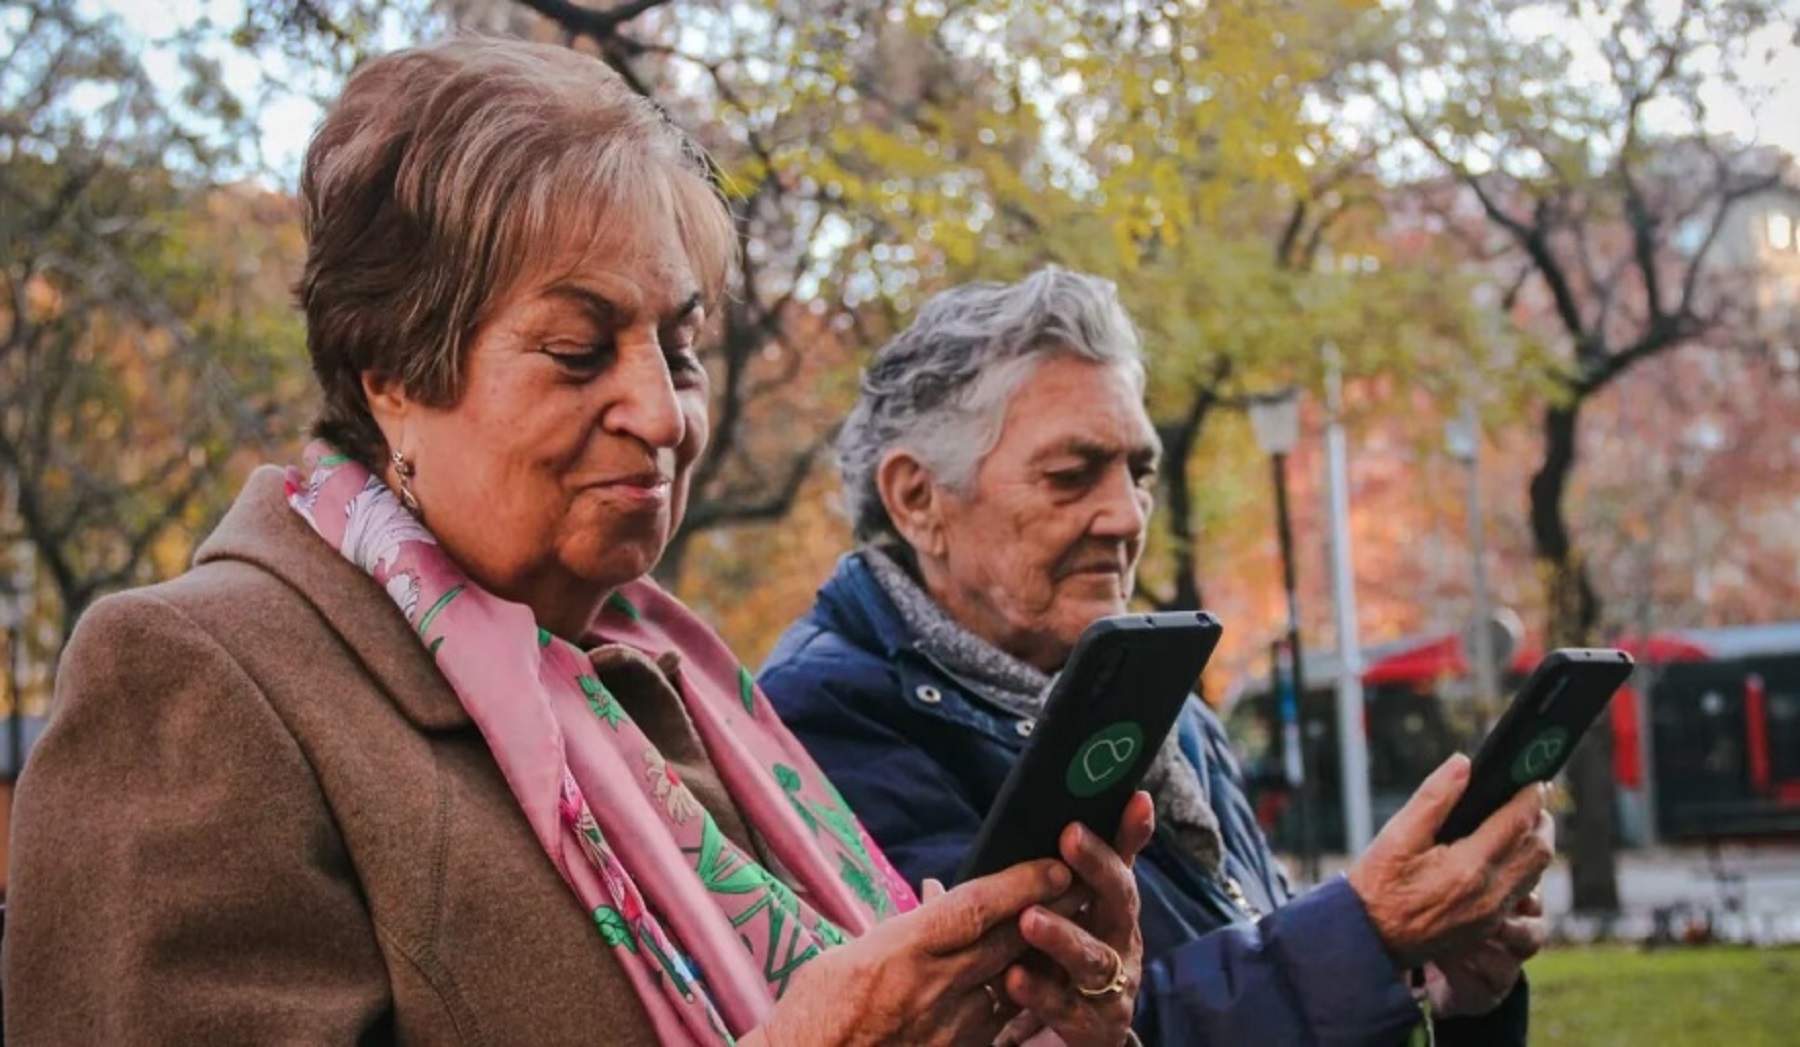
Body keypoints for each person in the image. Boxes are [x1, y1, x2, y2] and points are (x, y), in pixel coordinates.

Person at [1, 41, 1150, 1047]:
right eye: (578, 350)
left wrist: (1059, 1023)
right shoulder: (195, 682)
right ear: (393, 374)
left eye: (681, 349)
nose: (663, 414)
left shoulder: (682, 681)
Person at [759, 268, 1553, 1045]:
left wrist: (1454, 1000)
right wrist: (1366, 931)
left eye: (1139, 472)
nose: (1125, 515)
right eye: (1072, 476)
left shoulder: (1160, 704)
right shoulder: (824, 720)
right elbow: (1040, 1022)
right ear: (917, 498)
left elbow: (1239, 946)